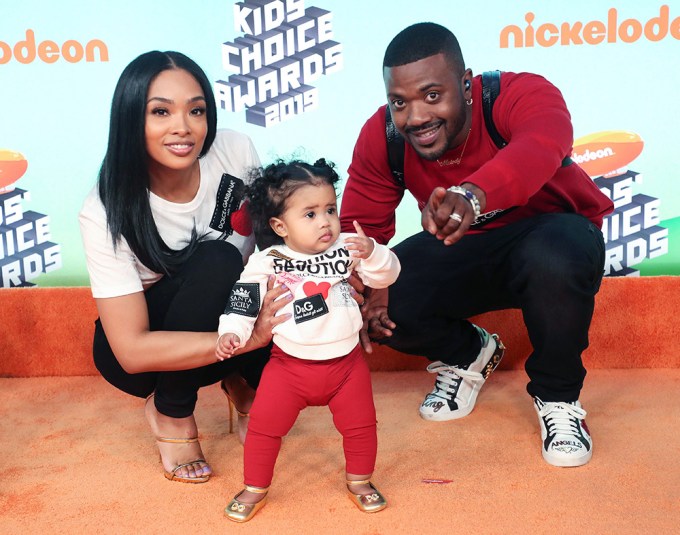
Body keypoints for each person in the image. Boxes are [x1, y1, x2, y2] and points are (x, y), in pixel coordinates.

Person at [340, 22, 614, 468]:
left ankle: (559, 399)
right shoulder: (384, 136)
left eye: (433, 96)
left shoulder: (517, 95)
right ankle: (468, 352)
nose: (415, 118)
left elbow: (544, 143)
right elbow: (360, 230)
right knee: (380, 298)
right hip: (462, 252)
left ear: (466, 84)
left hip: (550, 238)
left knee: (555, 255)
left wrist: (472, 194)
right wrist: (361, 288)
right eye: (399, 102)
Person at [78, 50, 291, 484]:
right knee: (218, 258)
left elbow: (269, 250)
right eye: (161, 112)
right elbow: (132, 351)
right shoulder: (104, 209)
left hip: (232, 324)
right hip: (148, 356)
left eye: (196, 110)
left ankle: (241, 381)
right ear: (131, 120)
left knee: (277, 274)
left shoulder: (233, 150)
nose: (183, 127)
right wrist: (246, 341)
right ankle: (171, 411)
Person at [216, 159, 401, 522]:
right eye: (311, 214)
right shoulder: (268, 260)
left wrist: (374, 253)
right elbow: (244, 299)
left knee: (361, 427)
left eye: (331, 209)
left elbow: (387, 273)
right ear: (280, 226)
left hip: (347, 367)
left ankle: (360, 481)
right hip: (288, 369)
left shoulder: (349, 247)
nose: (326, 222)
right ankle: (255, 487)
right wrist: (231, 333)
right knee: (264, 430)